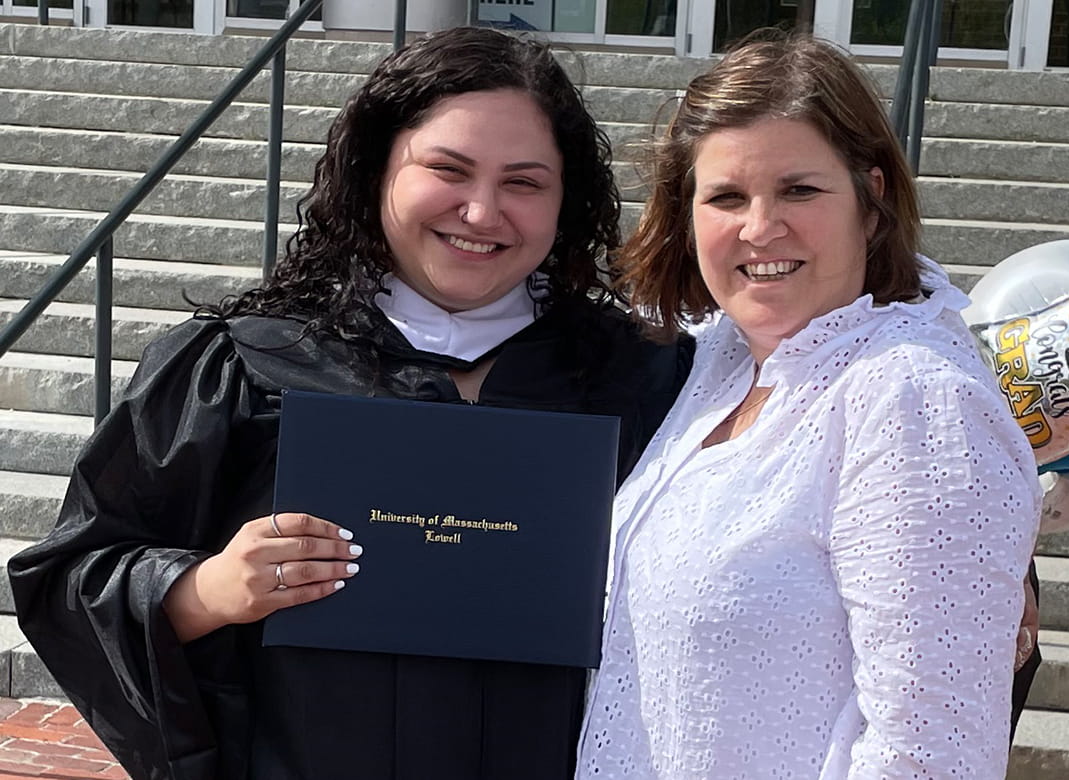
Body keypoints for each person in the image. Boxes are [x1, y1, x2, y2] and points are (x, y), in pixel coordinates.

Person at [9, 27, 689, 780]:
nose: (481, 211)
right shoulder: (243, 365)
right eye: (448, 169)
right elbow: (73, 575)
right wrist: (208, 589)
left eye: (524, 183)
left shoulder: (643, 378)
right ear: (376, 173)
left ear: (567, 200)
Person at [577, 35, 1042, 778]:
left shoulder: (913, 399)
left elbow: (931, 750)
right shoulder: (723, 362)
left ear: (871, 200)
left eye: (799, 190)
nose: (760, 228)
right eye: (726, 197)